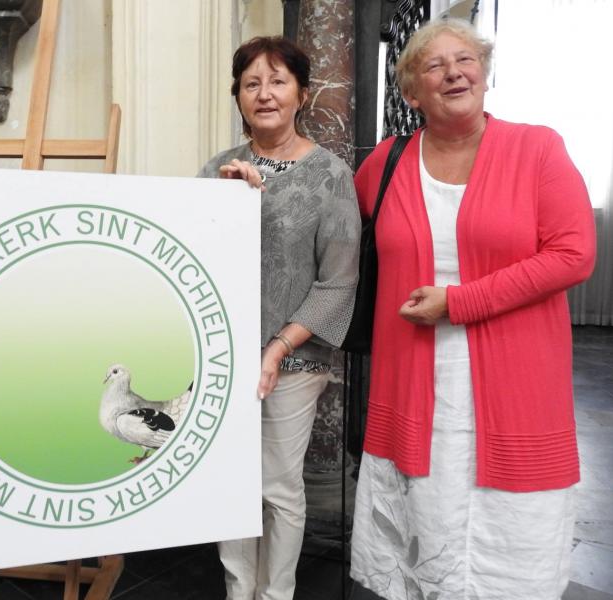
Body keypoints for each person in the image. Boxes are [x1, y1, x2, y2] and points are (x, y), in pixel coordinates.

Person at [349, 18, 596, 600]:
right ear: (411, 93)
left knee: (508, 534)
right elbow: (329, 225)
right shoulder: (386, 162)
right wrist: (256, 184)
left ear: (485, 74)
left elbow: (574, 254)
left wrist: (459, 302)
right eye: (434, 66)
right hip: (413, 377)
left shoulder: (537, 148)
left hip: (514, 377)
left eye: (465, 59)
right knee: (425, 518)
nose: (453, 72)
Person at [198, 36, 360, 600]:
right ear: (237, 97)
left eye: (278, 81)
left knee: (277, 487)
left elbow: (338, 279)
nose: (264, 93)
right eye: (251, 83)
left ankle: (276, 594)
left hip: (294, 358)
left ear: (302, 94)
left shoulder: (331, 174)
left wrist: (278, 348)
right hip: (224, 355)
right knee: (230, 484)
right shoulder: (217, 169)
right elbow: (195, 260)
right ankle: (238, 590)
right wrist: (228, 207)